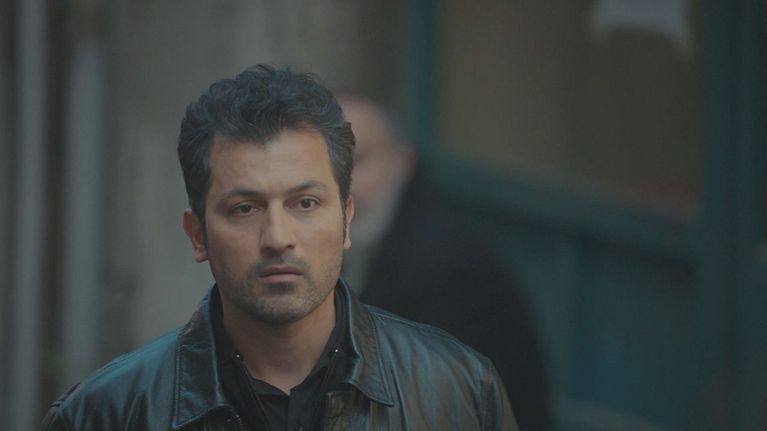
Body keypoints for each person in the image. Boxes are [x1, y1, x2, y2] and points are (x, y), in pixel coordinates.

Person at [41, 65, 518, 431]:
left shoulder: (458, 391)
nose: (277, 237)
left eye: (305, 203)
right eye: (244, 208)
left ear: (346, 218)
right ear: (197, 234)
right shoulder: (107, 413)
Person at [339, 95, 549, 431]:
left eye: (360, 161)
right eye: (332, 163)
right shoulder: (358, 244)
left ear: (403, 161)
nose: (345, 184)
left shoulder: (447, 264)